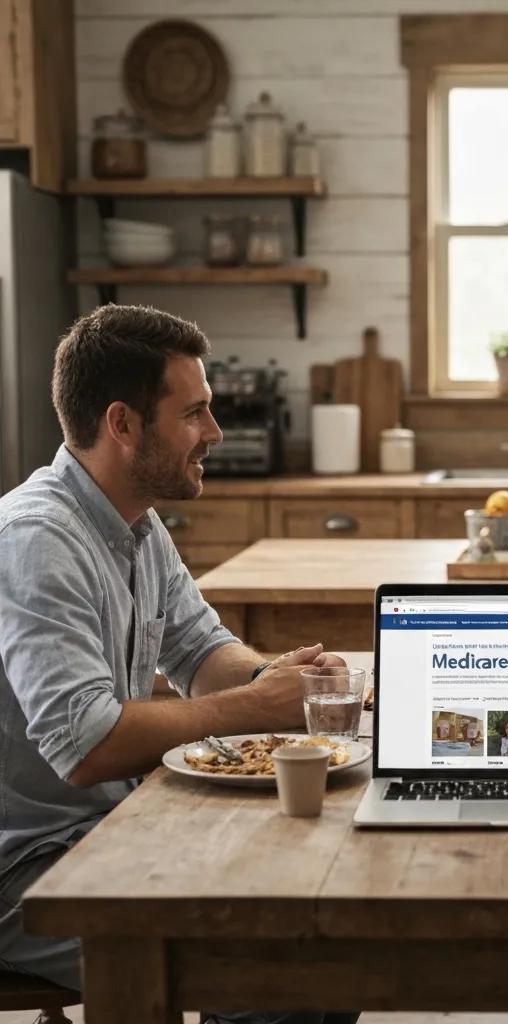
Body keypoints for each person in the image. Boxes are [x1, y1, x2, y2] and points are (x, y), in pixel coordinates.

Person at [0, 305, 357, 1024]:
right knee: (282, 976)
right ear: (122, 424)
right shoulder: (37, 539)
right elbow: (88, 744)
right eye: (193, 413)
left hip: (107, 833)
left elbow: (200, 651)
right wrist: (259, 708)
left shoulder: (133, 518)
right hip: (24, 873)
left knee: (325, 933)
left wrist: (280, 680)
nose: (214, 434)